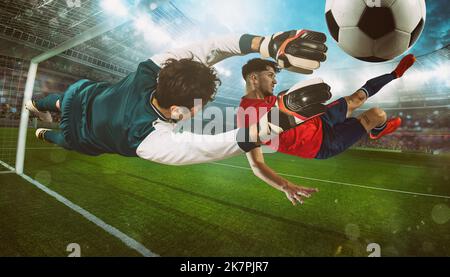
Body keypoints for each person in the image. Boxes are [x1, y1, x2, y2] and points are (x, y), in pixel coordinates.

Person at [25, 30, 327, 170]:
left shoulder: (152, 69)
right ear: (177, 110)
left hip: (81, 95)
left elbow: (210, 47)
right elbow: (208, 148)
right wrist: (277, 122)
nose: (203, 109)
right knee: (61, 138)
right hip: (81, 136)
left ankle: (37, 105)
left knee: (59, 100)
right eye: (202, 105)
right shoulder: (146, 140)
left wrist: (266, 44)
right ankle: (43, 132)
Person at [237, 54, 416, 205]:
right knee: (378, 114)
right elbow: (256, 164)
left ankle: (394, 74)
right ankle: (377, 130)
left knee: (358, 97)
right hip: (323, 144)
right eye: (269, 75)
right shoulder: (245, 116)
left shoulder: (275, 98)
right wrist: (285, 186)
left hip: (321, 118)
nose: (274, 80)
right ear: (254, 78)